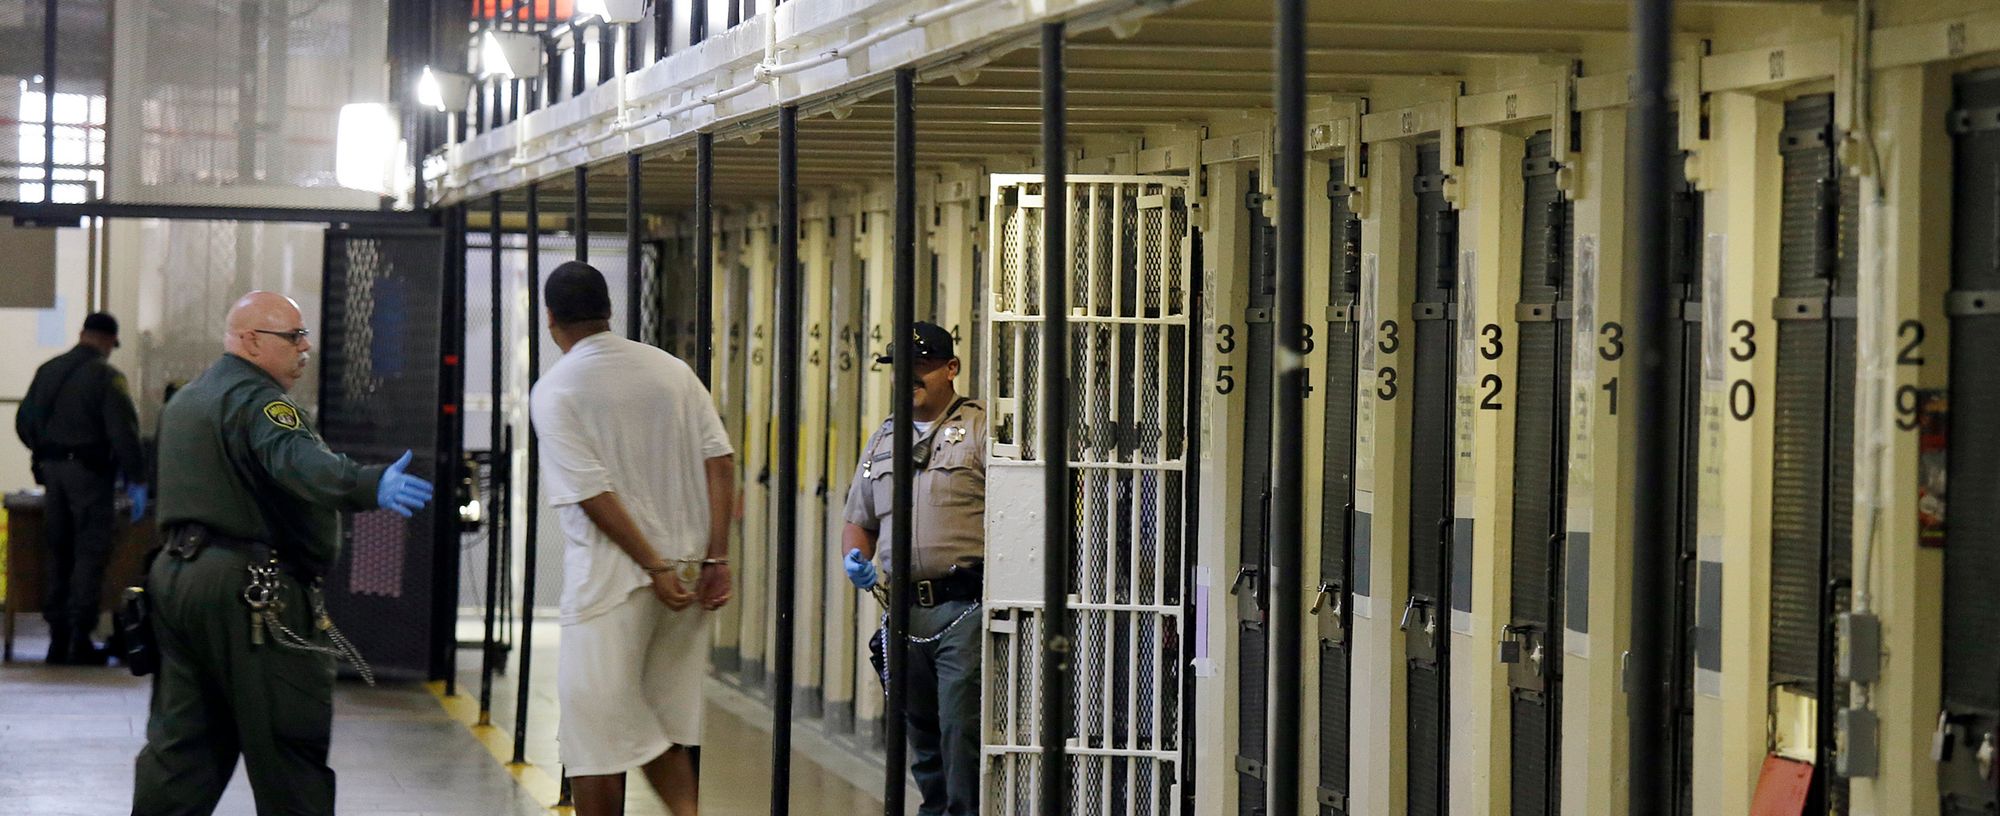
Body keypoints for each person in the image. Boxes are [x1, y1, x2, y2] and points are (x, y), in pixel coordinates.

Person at [131, 291, 434, 816]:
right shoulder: (260, 402)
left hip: (177, 581)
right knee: (289, 747)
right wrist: (364, 483)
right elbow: (299, 462)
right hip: (252, 595)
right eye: (293, 336)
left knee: (183, 749)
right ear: (250, 341)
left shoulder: (187, 401)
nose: (305, 347)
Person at [530, 262, 735, 816]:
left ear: (550, 319)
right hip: (688, 575)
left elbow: (593, 496)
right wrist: (716, 556)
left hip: (614, 580)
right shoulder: (672, 372)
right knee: (658, 715)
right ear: (609, 312)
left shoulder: (557, 389)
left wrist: (652, 565)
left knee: (597, 728)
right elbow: (720, 460)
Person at [840, 320, 987, 816]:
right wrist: (854, 557)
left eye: (921, 367)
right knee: (919, 727)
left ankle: (963, 811)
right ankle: (936, 808)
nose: (910, 378)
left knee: (959, 724)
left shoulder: (982, 429)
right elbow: (858, 518)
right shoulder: (883, 439)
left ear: (951, 369)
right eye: (900, 368)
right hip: (904, 609)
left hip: (963, 606)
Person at [14, 311, 147, 664]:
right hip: (89, 475)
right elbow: (123, 433)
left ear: (82, 333)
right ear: (106, 340)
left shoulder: (48, 370)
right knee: (89, 551)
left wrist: (45, 454)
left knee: (58, 550)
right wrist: (138, 477)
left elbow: (24, 421)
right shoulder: (106, 377)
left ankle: (56, 637)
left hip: (52, 473)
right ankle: (79, 638)